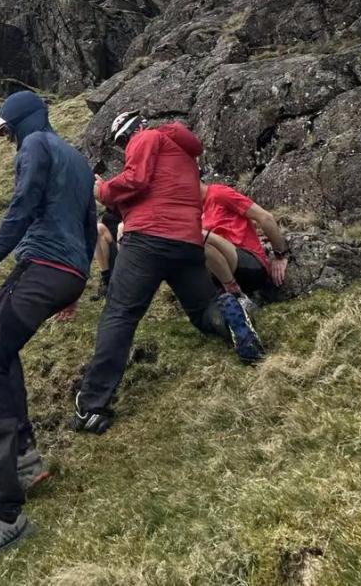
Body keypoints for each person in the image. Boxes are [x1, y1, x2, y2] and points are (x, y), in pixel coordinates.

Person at [0, 91, 96, 567]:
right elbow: (90, 226)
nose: (7, 139)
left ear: (19, 122)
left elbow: (23, 202)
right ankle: (26, 461)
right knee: (4, 354)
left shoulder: (35, 145)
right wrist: (76, 286)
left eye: (6, 130)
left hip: (41, 266)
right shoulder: (77, 157)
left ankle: (4, 513)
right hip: (68, 273)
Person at [73, 111, 263, 437]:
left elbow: (136, 180)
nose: (124, 147)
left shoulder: (146, 138)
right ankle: (230, 317)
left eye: (121, 142)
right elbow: (153, 190)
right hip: (186, 243)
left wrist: (102, 190)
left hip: (147, 240)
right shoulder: (185, 157)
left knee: (120, 313)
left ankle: (91, 405)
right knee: (203, 310)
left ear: (128, 133)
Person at [201, 179, 290, 302]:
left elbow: (265, 217)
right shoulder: (191, 211)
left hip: (249, 267)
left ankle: (233, 290)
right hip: (218, 274)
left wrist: (280, 255)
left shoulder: (218, 193)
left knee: (198, 235)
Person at [91, 207, 121, 300]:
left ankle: (121, 279)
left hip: (127, 250)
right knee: (98, 228)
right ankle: (106, 279)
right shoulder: (109, 208)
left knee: (122, 227)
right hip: (112, 248)